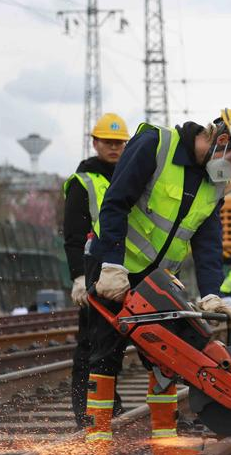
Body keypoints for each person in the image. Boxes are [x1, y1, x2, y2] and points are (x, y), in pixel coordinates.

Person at [78, 109, 231, 455]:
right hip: (114, 266)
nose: (230, 171)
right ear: (220, 139)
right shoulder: (155, 146)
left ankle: (165, 453)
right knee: (103, 359)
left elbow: (208, 242)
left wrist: (212, 292)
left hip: (159, 281)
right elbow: (115, 202)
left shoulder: (213, 187)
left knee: (165, 360)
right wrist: (111, 265)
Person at [63, 113, 129, 428]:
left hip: (125, 270)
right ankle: (84, 410)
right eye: (108, 142)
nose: (114, 148)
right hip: (93, 273)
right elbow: (74, 236)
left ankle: (110, 405)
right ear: (95, 143)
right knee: (91, 344)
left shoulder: (132, 176)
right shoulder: (83, 182)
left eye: (119, 143)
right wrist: (78, 277)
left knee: (116, 345)